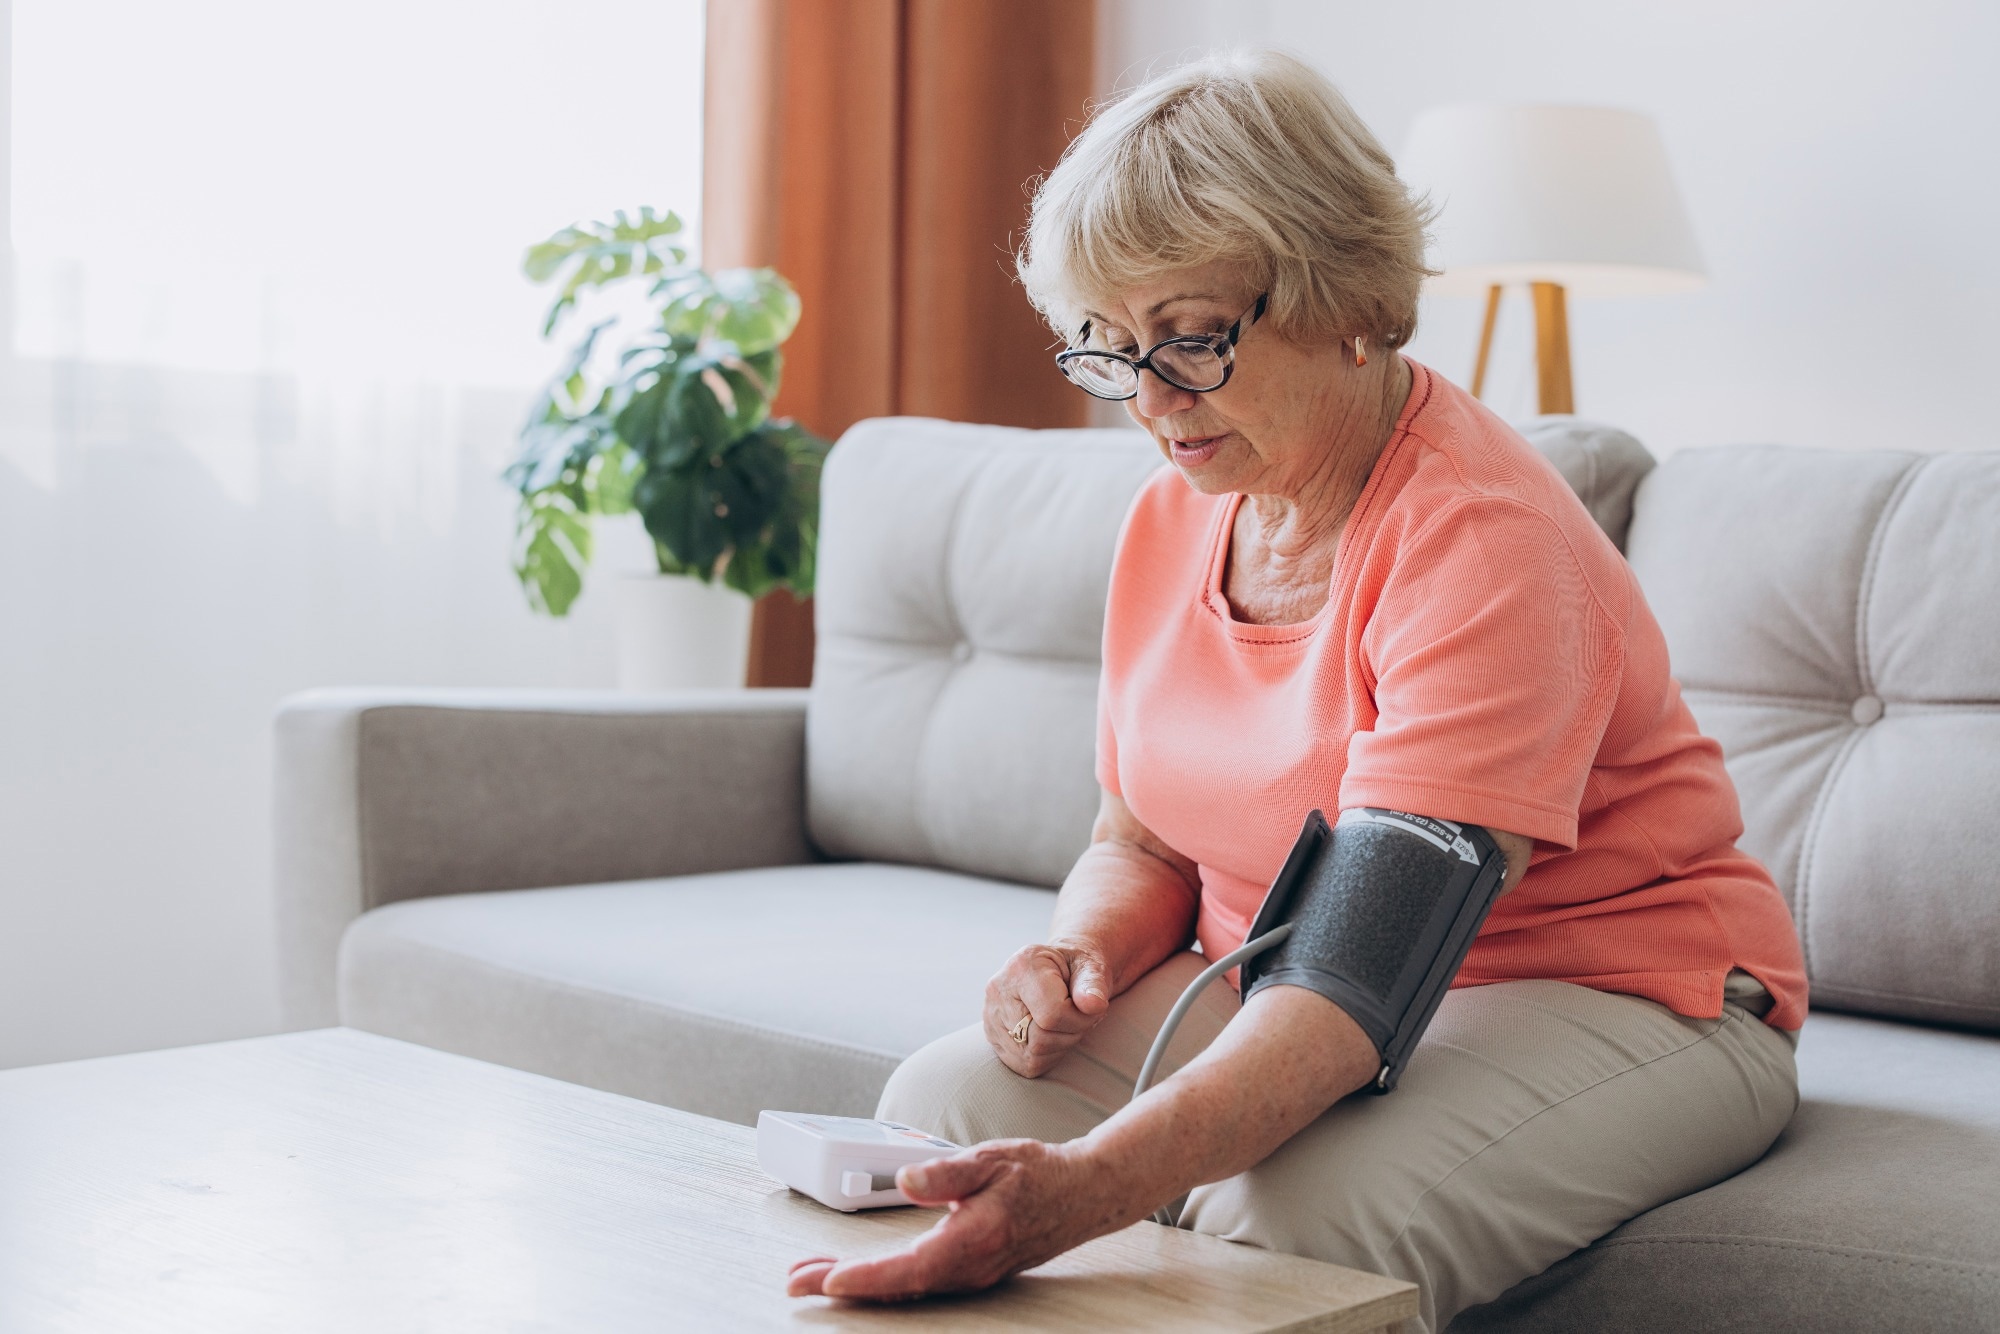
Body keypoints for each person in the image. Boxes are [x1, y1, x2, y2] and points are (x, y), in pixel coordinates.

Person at [786, 51, 1806, 1333]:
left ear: (1345, 301)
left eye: (1191, 339)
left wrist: (1089, 1187)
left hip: (1617, 984)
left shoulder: (1480, 538)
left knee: (1293, 1227)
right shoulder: (1175, 513)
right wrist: (1077, 951)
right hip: (1286, 970)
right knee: (949, 1106)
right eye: (1110, 348)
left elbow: (1355, 981)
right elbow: (1139, 835)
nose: (1151, 403)